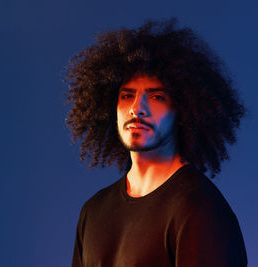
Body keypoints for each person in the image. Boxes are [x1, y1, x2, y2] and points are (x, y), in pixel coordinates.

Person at [65, 18, 248, 267]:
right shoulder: (93, 211)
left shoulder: (199, 208)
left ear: (183, 110)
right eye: (127, 96)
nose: (137, 109)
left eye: (157, 97)